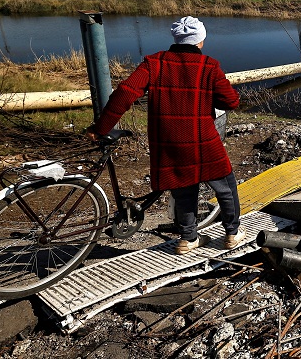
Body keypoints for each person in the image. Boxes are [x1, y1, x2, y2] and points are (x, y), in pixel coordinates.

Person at [85, 16, 243, 255]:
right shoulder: (209, 66)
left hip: (169, 141)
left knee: (183, 188)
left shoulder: (153, 63)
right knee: (225, 186)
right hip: (203, 140)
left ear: (175, 38)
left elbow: (124, 93)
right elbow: (231, 101)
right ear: (201, 40)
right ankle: (231, 234)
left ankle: (188, 239)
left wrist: (101, 128)